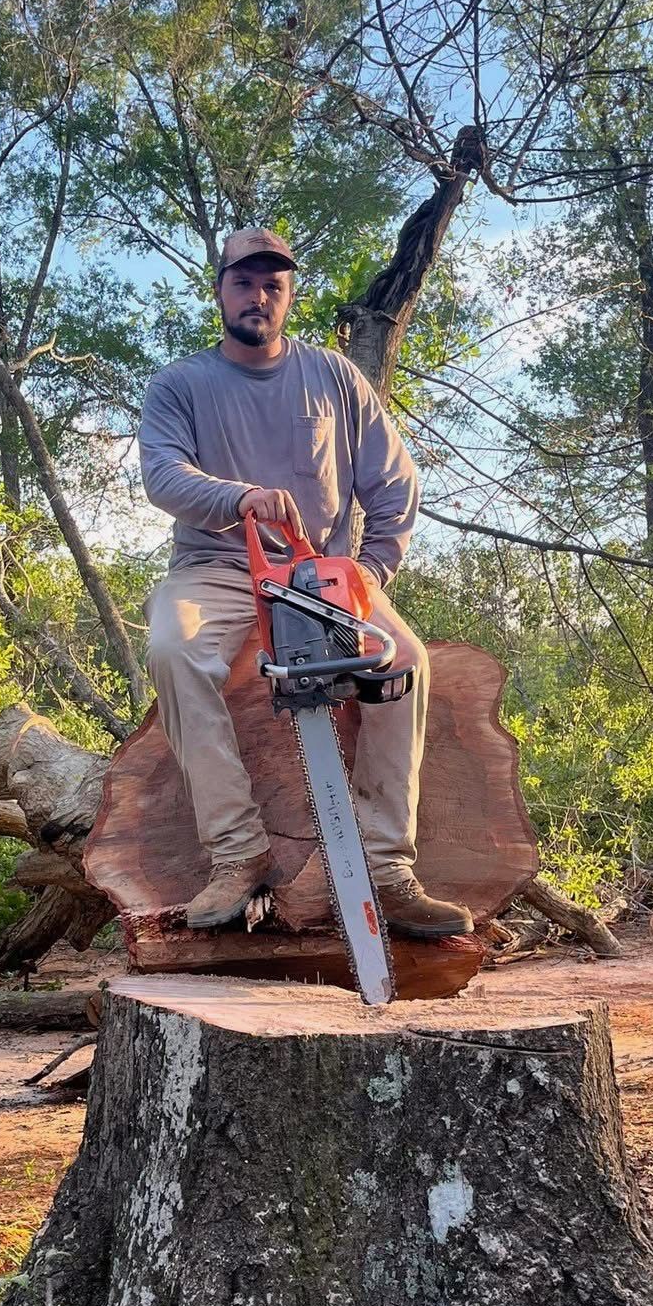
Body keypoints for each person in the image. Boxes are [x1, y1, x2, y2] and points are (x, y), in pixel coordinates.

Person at [137, 226, 474, 939]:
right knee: (174, 648)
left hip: (322, 571)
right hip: (217, 566)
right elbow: (163, 478)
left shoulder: (333, 377)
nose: (257, 297)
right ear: (220, 290)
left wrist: (370, 570)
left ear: (288, 296)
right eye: (243, 283)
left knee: (404, 661)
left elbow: (394, 482)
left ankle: (383, 865)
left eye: (273, 286)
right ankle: (237, 854)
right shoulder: (178, 385)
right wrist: (240, 498)